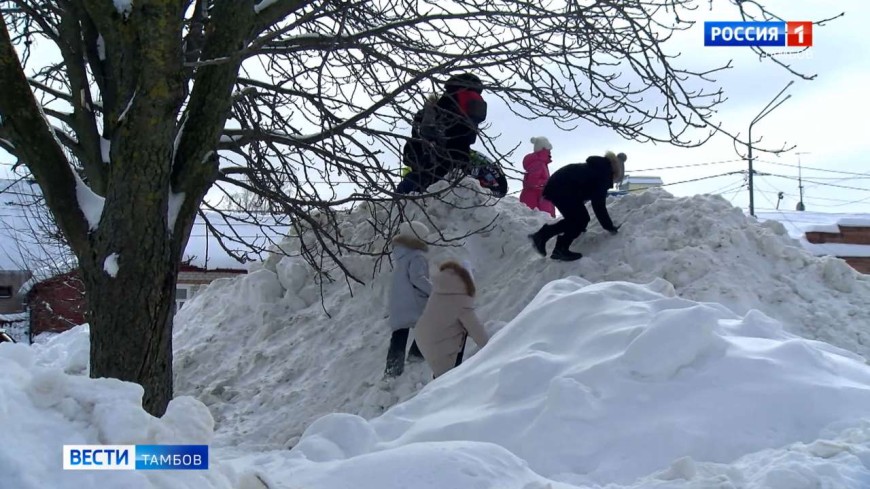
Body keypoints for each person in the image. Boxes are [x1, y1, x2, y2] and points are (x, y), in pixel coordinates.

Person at [396, 74, 487, 194]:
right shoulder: (468, 114)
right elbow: (468, 140)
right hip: (460, 168)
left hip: (432, 169)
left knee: (404, 192)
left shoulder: (433, 111)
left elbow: (414, 145)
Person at [528, 151, 627, 261]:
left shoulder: (598, 168)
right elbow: (598, 205)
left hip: (558, 186)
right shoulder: (603, 174)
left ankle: (543, 237)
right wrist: (609, 227)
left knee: (576, 220)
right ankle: (558, 247)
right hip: (561, 188)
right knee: (580, 219)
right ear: (614, 173)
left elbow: (581, 187)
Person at [414, 260, 489, 378]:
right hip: (438, 344)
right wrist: (494, 348)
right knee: (446, 378)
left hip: (423, 337)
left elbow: (446, 317)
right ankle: (447, 387)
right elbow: (477, 331)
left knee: (440, 370)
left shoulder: (441, 288)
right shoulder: (461, 299)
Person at [385, 221, 432, 377]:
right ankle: (416, 357)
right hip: (414, 301)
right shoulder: (417, 256)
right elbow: (418, 278)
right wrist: (434, 290)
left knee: (399, 334)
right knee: (427, 326)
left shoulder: (400, 255)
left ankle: (393, 369)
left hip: (399, 302)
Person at [520, 137, 556, 217]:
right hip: (535, 204)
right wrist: (549, 183)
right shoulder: (538, 164)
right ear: (543, 149)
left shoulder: (541, 164)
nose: (550, 153)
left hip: (537, 202)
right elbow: (532, 183)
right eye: (548, 150)